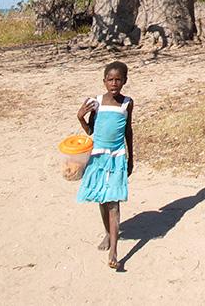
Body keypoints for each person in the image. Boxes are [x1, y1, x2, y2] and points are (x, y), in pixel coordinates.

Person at [76, 61, 135, 269]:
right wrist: (80, 117)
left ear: (125, 81)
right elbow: (91, 131)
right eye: (110, 79)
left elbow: (128, 131)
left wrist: (131, 158)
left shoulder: (127, 103)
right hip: (98, 157)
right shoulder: (97, 102)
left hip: (117, 157)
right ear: (104, 81)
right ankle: (109, 234)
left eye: (118, 79)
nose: (114, 83)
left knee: (113, 202)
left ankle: (114, 251)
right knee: (101, 199)